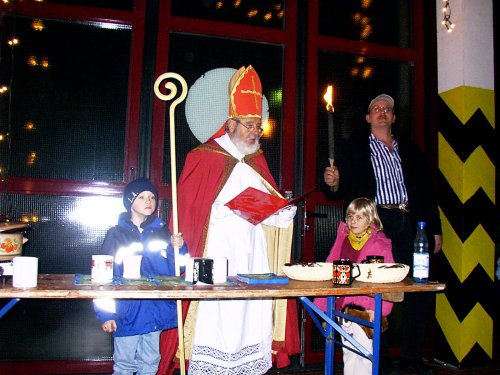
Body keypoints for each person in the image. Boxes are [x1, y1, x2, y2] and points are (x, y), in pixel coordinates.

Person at [159, 65, 300, 375]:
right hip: (216, 255)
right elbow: (187, 212)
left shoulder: (256, 158)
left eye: (258, 126)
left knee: (249, 317)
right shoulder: (202, 157)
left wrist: (281, 212)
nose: (254, 132)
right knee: (217, 319)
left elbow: (268, 210)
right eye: (249, 125)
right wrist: (223, 208)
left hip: (252, 257)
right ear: (231, 122)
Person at [323, 94, 442, 375]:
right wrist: (333, 181)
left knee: (418, 290)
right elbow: (335, 186)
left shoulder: (410, 149)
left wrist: (434, 229)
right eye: (375, 109)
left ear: (393, 117)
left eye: (386, 109)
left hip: (411, 222)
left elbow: (427, 191)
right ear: (368, 118)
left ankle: (412, 359)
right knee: (378, 289)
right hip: (377, 222)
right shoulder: (354, 148)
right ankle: (381, 358)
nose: (381, 112)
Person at [93, 177, 187, 375]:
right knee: (124, 364)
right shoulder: (116, 235)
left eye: (152, 197)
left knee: (151, 361)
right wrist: (106, 313)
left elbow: (177, 270)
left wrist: (178, 248)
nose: (148, 201)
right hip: (127, 311)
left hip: (154, 309)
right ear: (129, 202)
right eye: (142, 196)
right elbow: (102, 276)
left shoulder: (162, 234)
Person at [315, 197, 394, 375]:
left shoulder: (380, 244)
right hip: (342, 308)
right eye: (350, 216)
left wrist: (379, 310)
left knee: (365, 356)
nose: (353, 221)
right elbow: (329, 271)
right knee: (349, 354)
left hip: (366, 309)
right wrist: (322, 307)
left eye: (359, 217)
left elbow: (389, 280)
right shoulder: (342, 240)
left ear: (371, 220)